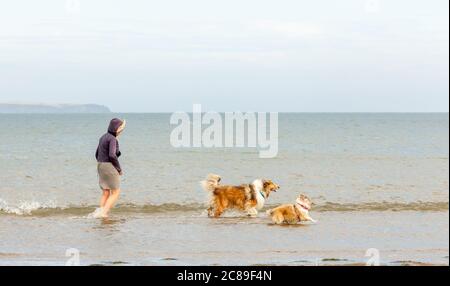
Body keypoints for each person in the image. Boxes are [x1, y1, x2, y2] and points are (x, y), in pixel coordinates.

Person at [95, 118, 126, 218]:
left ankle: (100, 212)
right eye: (121, 128)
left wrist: (102, 164)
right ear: (117, 128)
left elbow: (96, 154)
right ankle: (104, 213)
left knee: (105, 192)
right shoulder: (112, 139)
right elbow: (112, 155)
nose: (122, 130)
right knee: (116, 192)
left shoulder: (103, 137)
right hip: (108, 166)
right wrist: (119, 169)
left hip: (100, 165)